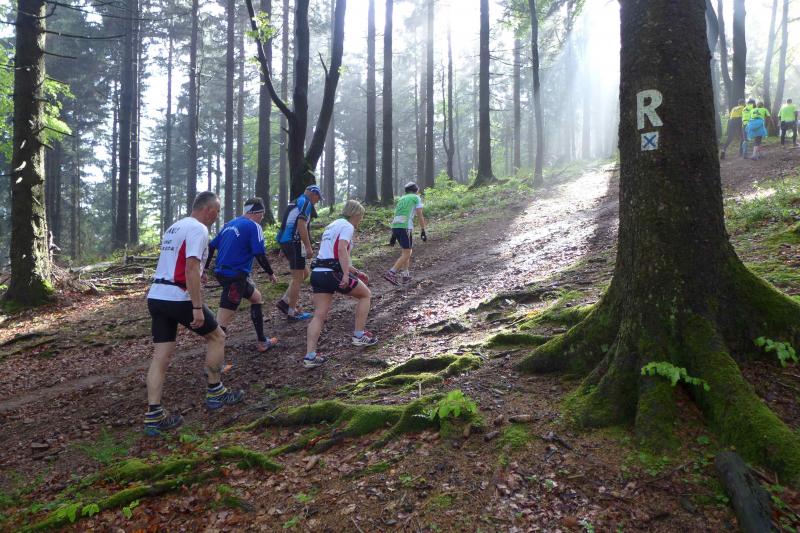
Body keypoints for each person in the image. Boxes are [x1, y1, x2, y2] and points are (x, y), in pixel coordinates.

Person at [144, 192, 243, 437]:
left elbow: (179, 264)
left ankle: (154, 415)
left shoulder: (174, 227)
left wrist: (199, 275)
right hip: (178, 296)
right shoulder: (198, 229)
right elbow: (190, 267)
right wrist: (197, 307)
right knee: (217, 337)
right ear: (208, 209)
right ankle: (216, 392)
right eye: (217, 211)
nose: (217, 216)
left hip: (157, 296)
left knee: (161, 356)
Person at [304, 200, 377, 368]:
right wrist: (345, 274)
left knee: (319, 315)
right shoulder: (347, 226)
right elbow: (341, 249)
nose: (360, 220)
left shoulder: (332, 225)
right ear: (355, 214)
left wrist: (354, 272)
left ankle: (310, 356)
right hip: (333, 273)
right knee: (365, 295)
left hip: (318, 273)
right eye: (361, 216)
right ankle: (359, 335)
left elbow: (331, 253)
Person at [205, 197, 279, 357]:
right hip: (235, 277)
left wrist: (205, 268)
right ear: (257, 213)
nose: (262, 217)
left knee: (256, 298)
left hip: (222, 274)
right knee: (221, 324)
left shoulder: (230, 224)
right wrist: (270, 273)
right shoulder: (254, 226)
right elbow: (259, 254)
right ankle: (213, 363)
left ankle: (262, 341)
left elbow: (211, 246)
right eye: (262, 214)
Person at [275, 185, 323, 322]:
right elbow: (301, 225)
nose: (317, 201)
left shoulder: (295, 201)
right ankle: (291, 313)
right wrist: (308, 247)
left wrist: (282, 247)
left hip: (286, 241)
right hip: (294, 242)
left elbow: (286, 222)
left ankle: (284, 302)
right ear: (313, 194)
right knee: (297, 278)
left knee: (305, 273)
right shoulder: (306, 202)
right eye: (318, 198)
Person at [384, 182, 427, 286]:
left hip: (396, 226)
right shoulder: (415, 197)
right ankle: (391, 273)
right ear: (416, 190)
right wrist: (423, 229)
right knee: (407, 253)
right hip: (405, 226)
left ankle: (405, 275)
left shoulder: (401, 199)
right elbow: (420, 215)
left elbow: (397, 214)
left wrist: (393, 235)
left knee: (406, 251)